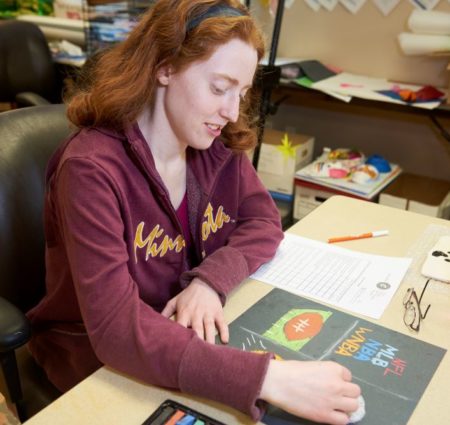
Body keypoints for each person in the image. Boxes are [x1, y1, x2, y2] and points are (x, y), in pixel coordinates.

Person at [27, 1, 361, 423]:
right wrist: (267, 381)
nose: (232, 112)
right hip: (95, 359)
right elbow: (115, 329)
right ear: (165, 68)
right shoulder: (90, 169)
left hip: (183, 332)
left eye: (241, 94)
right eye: (219, 88)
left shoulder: (216, 144)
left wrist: (209, 281)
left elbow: (263, 221)